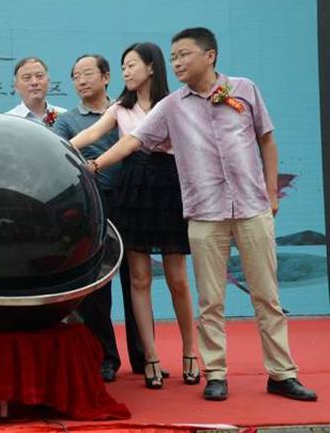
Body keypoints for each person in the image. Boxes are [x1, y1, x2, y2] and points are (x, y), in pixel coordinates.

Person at [93, 27, 317, 402]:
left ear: (209, 56)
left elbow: (267, 139)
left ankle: (281, 374)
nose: (177, 62)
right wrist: (94, 164)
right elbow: (132, 140)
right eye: (173, 57)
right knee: (210, 300)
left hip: (251, 208)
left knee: (267, 296)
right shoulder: (172, 106)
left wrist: (270, 191)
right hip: (205, 213)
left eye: (184, 54)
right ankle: (215, 373)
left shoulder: (244, 89)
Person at [71, 42, 198, 389]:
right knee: (139, 278)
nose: (126, 72)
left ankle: (190, 351)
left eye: (131, 65)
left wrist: (96, 164)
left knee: (177, 279)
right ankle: (150, 358)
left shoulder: (174, 103)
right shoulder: (120, 107)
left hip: (168, 187)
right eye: (124, 66)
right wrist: (62, 147)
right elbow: (93, 133)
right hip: (133, 189)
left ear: (151, 67)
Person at [53, 54, 146, 382]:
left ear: (106, 77)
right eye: (75, 76)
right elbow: (62, 154)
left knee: (138, 280)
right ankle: (105, 357)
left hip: (131, 203)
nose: (81, 80)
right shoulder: (66, 121)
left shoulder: (127, 112)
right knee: (97, 286)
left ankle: (144, 357)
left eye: (87, 73)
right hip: (92, 208)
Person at [5, 57, 66, 126]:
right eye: (27, 77)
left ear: (49, 82)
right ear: (16, 86)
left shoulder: (64, 116)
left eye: (39, 76)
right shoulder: (8, 120)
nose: (34, 82)